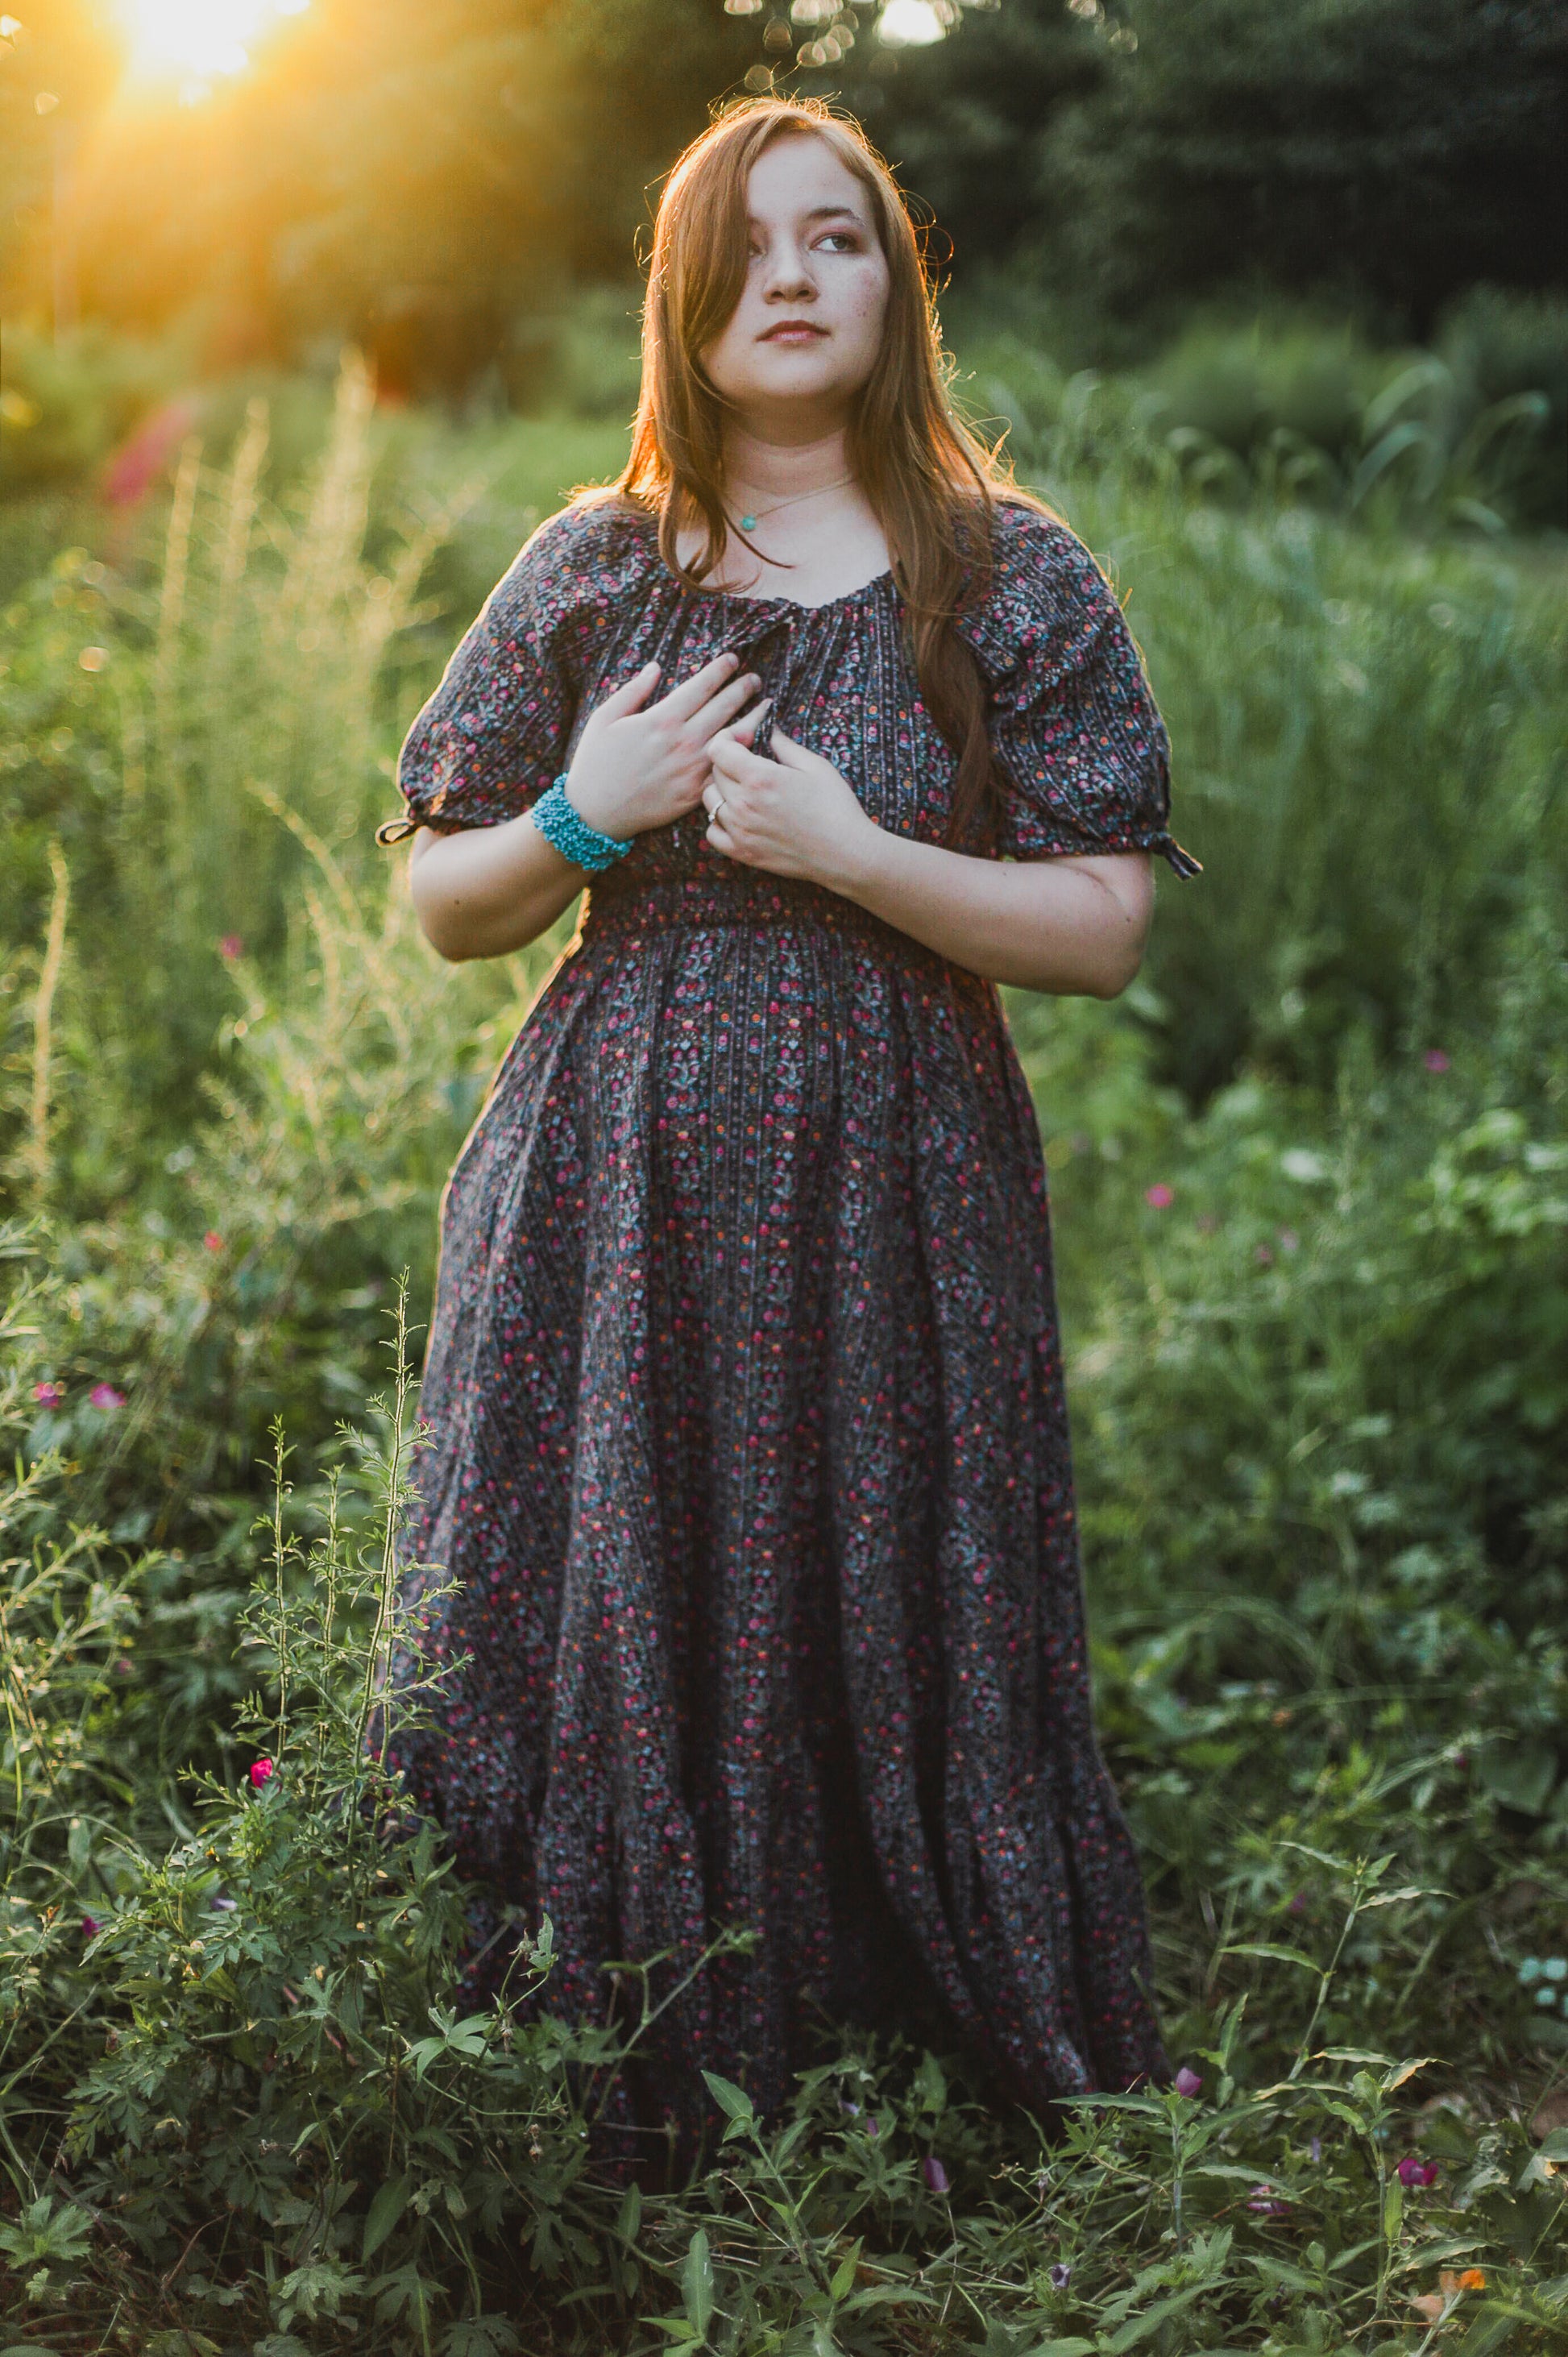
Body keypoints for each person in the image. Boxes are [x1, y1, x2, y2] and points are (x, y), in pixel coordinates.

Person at [379, 95, 1193, 2121]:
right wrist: (591, 807)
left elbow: (1099, 929)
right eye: (744, 253)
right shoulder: (592, 570)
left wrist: (848, 852)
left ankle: (901, 2044)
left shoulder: (1008, 582)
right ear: (684, 302)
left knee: (895, 1563)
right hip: (615, 1181)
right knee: (619, 1569)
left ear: (891, 280)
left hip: (900, 1183)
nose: (791, 282)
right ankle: (609, 2042)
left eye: (833, 240)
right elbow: (443, 897)